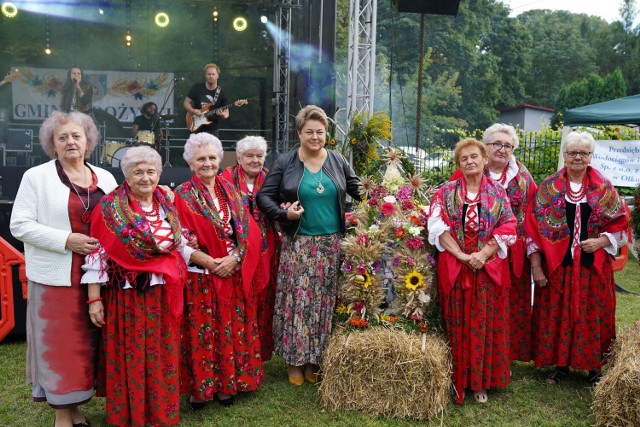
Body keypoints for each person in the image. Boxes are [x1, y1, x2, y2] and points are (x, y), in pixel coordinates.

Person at [81, 146, 221, 426]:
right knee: (131, 354)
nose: (145, 178)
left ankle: (160, 412)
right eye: (138, 172)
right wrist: (94, 299)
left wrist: (208, 261)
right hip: (127, 296)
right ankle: (129, 414)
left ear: (158, 174)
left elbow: (178, 245)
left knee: (162, 353)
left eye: (151, 172)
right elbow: (98, 254)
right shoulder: (110, 207)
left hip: (163, 294)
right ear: (127, 177)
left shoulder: (166, 205)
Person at [10, 111, 118, 427]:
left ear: (88, 142)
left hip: (97, 277)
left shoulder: (107, 178)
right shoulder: (36, 177)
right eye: (63, 137)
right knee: (58, 344)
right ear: (52, 145)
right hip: (55, 275)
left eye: (76, 136)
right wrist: (66, 239)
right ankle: (61, 413)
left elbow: (118, 219)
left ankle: (76, 406)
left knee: (87, 344)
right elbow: (20, 225)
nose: (71, 142)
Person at [257, 105, 360, 386]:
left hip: (332, 244)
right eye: (309, 132)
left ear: (326, 133)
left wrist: (384, 195)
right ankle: (294, 361)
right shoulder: (286, 161)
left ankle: (314, 360)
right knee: (298, 303)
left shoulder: (337, 160)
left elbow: (357, 188)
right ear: (299, 133)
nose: (315, 137)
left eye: (320, 131)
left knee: (323, 303)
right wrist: (283, 214)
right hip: (298, 243)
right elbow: (264, 197)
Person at [525, 131, 628, 386]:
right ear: (564, 155)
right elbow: (531, 228)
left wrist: (602, 242)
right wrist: (537, 266)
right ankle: (560, 366)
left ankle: (593, 367)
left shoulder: (604, 187)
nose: (578, 157)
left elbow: (622, 226)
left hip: (593, 268)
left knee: (593, 314)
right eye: (573, 152)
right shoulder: (549, 188)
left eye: (584, 153)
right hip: (559, 266)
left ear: (591, 156)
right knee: (557, 314)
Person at [174, 133, 263, 409]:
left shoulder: (230, 190)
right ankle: (200, 389)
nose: (208, 163)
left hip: (232, 273)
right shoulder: (182, 195)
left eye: (212, 157)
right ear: (190, 163)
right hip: (200, 277)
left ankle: (227, 385)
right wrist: (211, 263)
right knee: (202, 332)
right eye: (201, 159)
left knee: (229, 329)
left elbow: (248, 230)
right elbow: (177, 240)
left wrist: (235, 258)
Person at [428, 138, 516, 404]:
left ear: (484, 159)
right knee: (456, 323)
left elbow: (509, 226)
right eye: (464, 158)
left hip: (486, 269)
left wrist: (483, 254)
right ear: (459, 164)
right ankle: (457, 380)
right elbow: (437, 226)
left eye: (474, 157)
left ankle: (479, 382)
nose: (470, 161)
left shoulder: (499, 193)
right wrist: (462, 255)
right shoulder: (445, 192)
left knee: (483, 324)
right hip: (457, 267)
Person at [221, 135, 280, 361]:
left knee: (263, 299)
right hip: (235, 253)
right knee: (240, 300)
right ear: (238, 157)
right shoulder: (225, 179)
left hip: (266, 250)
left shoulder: (272, 179)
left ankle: (259, 352)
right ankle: (238, 351)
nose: (255, 160)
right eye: (249, 156)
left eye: (260, 156)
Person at [183, 63, 229, 137]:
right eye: (209, 74)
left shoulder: (222, 92)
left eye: (213, 74)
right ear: (205, 75)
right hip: (196, 128)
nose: (211, 76)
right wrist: (193, 111)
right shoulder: (197, 88)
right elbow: (186, 102)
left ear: (218, 76)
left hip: (212, 130)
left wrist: (223, 115)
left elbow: (226, 113)